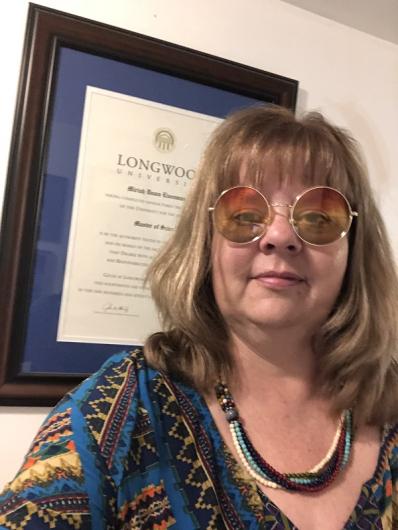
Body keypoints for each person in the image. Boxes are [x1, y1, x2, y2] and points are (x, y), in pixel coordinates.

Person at [0, 105, 397, 530]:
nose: (280, 237)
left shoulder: (389, 402)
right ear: (204, 241)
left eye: (319, 217)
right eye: (245, 214)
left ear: (353, 248)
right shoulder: (122, 412)